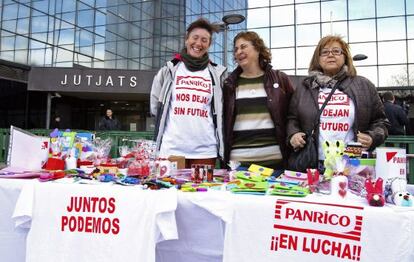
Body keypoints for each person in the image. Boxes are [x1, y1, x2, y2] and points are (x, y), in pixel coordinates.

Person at [287, 35, 389, 165]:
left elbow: (380, 122)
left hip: (351, 163)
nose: (330, 55)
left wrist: (372, 137)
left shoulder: (363, 85)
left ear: (345, 56)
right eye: (324, 52)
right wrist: (293, 134)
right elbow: (292, 118)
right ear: (318, 59)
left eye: (336, 51)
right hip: (313, 162)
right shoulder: (305, 86)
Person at [150, 18, 226, 168]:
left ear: (209, 45)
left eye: (204, 40)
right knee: (168, 190)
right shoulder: (169, 70)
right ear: (186, 40)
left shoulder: (217, 74)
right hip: (171, 150)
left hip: (205, 152)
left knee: (202, 191)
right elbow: (155, 106)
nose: (198, 43)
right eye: (195, 38)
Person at [223, 31, 294, 170]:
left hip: (274, 165)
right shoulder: (229, 84)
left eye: (243, 47)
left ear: (257, 49)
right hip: (239, 165)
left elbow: (294, 114)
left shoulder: (280, 79)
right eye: (236, 49)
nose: (239, 52)